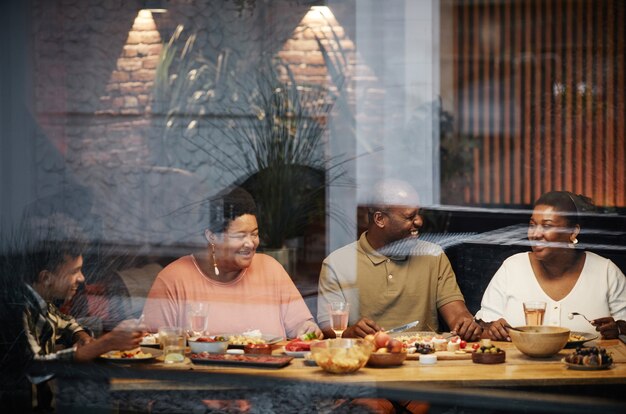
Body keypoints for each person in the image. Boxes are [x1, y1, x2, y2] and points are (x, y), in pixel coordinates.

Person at [142, 186, 321, 339]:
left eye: (255, 234)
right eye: (240, 236)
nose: (250, 243)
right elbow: (154, 344)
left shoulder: (271, 268)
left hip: (270, 374)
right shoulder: (173, 279)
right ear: (212, 236)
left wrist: (307, 329)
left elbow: (301, 326)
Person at [317, 179, 481, 341]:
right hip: (366, 359)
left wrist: (465, 324)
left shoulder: (433, 255)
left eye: (418, 213)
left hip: (423, 360)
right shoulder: (337, 263)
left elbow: (457, 314)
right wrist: (350, 332)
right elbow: (328, 328)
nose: (419, 221)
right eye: (410, 217)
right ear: (380, 219)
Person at [19, 216, 145, 409]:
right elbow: (36, 367)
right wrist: (106, 343)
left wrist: (82, 336)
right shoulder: (19, 308)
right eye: (74, 272)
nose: (82, 278)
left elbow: (65, 321)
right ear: (46, 277)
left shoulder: (43, 301)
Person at [476, 191, 626, 340]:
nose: (536, 234)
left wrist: (618, 328)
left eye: (547, 226)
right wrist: (492, 329)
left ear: (573, 232)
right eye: (532, 225)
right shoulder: (512, 268)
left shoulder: (606, 272)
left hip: (588, 363)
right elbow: (483, 327)